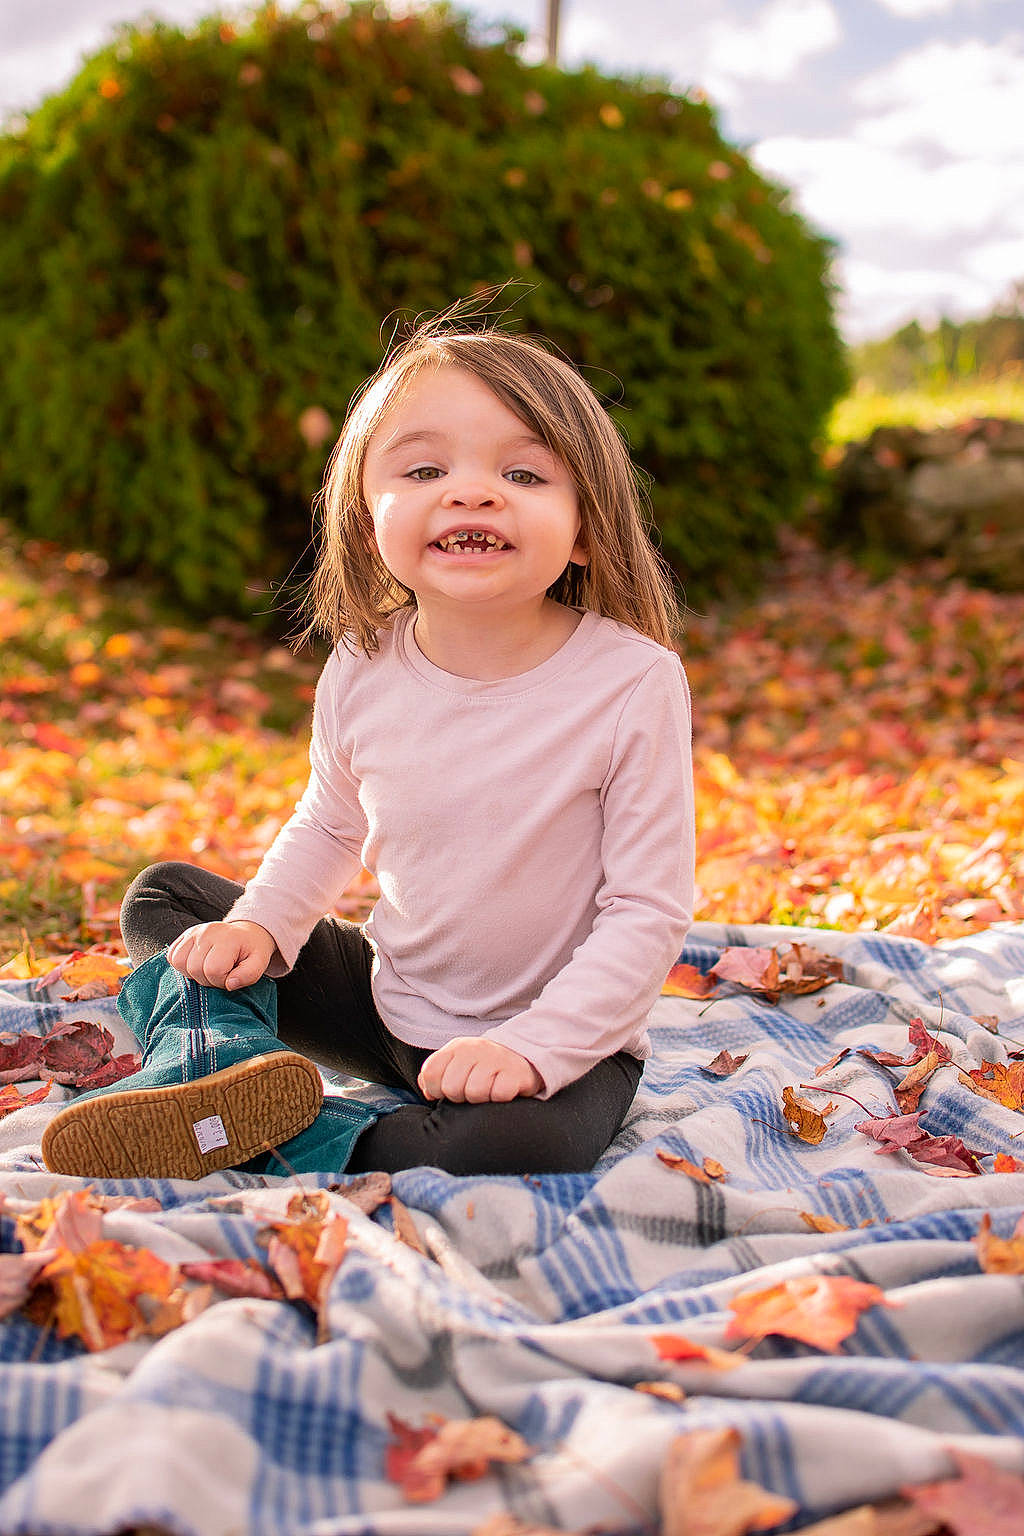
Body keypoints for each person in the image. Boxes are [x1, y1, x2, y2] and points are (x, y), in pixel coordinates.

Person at [43, 313, 695, 1182]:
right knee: (168, 899)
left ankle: (288, 1133)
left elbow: (647, 911)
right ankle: (225, 1068)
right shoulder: (363, 662)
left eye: (523, 472)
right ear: (366, 515)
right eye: (425, 469)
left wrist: (536, 1050)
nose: (471, 492)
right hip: (387, 1011)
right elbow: (328, 825)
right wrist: (263, 925)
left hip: (554, 1044)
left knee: (523, 1147)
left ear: (584, 528)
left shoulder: (630, 682)